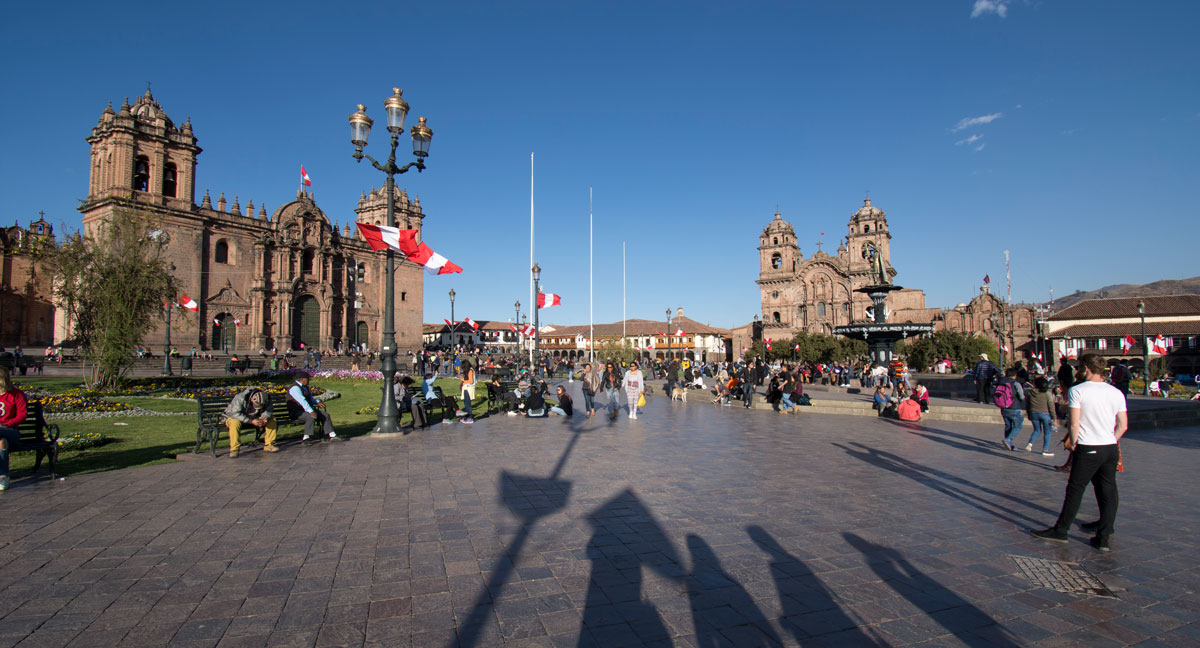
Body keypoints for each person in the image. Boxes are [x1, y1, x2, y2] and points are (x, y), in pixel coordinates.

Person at [1031, 353, 1128, 552]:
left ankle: (1061, 530)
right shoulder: (1116, 392)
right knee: (1108, 489)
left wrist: (1075, 443)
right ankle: (1104, 535)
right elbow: (1123, 425)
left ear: (1086, 369)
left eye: (1079, 368)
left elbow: (1074, 422)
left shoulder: (1078, 390)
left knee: (1075, 489)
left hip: (1087, 446)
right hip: (1110, 447)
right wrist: (1110, 440)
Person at [287, 373, 342, 444]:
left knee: (325, 415)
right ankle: (306, 438)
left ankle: (332, 435)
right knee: (310, 416)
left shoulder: (304, 387)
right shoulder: (295, 388)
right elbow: (302, 400)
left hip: (305, 410)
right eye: (307, 379)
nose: (309, 381)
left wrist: (317, 402)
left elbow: (310, 398)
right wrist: (311, 411)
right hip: (296, 412)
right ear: (301, 379)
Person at [224, 387, 277, 457]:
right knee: (234, 422)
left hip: (254, 418)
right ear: (251, 399)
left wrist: (263, 419)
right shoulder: (240, 398)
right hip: (235, 417)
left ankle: (269, 445)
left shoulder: (266, 398)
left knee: (272, 419)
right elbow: (234, 414)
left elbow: (269, 410)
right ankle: (234, 449)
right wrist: (251, 421)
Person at [0, 368, 30, 491]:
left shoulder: (16, 395)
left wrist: (6, 423)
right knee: (2, 442)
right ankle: (3, 476)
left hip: (10, 430)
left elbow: (22, 415)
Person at [996, 367, 1027, 451]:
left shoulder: (1000, 382)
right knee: (1018, 425)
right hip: (1014, 407)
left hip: (1003, 407)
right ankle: (1008, 440)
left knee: (1008, 426)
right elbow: (1022, 396)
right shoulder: (1015, 383)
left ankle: (1008, 444)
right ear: (1014, 376)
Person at [1025, 376, 1056, 456]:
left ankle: (1030, 443)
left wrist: (1029, 414)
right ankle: (1045, 450)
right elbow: (1051, 406)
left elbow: (1027, 404)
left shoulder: (1030, 393)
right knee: (1047, 432)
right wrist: (1054, 417)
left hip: (1033, 413)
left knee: (1037, 430)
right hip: (1045, 414)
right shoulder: (1047, 393)